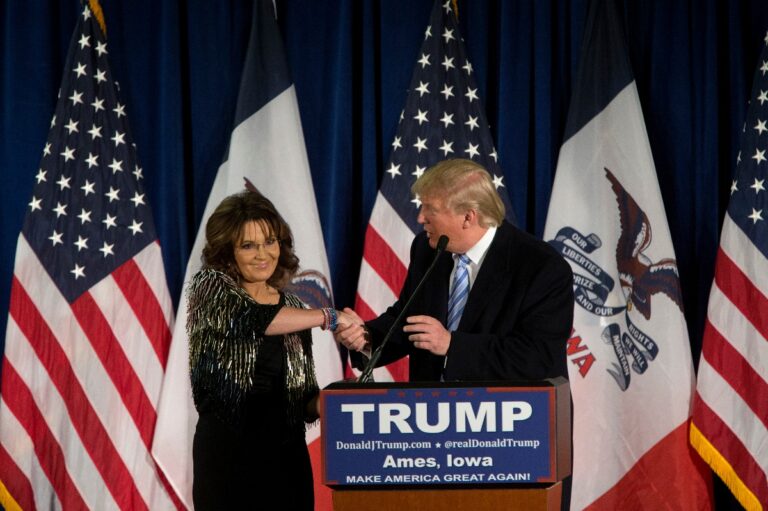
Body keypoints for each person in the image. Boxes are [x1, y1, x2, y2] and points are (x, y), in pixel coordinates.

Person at [187, 190, 356, 510]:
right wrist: (329, 317)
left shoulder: (291, 304)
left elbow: (302, 399)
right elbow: (251, 320)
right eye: (247, 245)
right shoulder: (208, 287)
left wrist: (335, 401)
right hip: (228, 455)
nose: (262, 254)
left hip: (286, 456)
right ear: (227, 252)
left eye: (270, 242)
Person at [336, 158, 574, 382]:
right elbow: (410, 321)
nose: (421, 218)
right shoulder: (427, 249)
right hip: (434, 415)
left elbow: (538, 357)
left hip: (511, 415)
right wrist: (366, 339)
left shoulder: (541, 266)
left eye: (431, 209)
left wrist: (452, 345)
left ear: (468, 217)